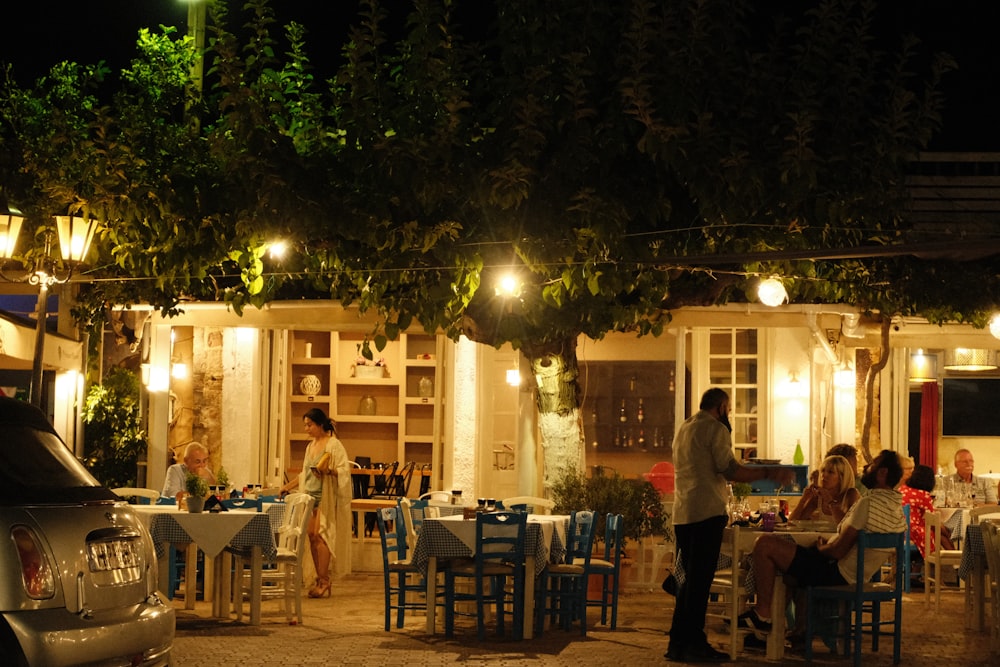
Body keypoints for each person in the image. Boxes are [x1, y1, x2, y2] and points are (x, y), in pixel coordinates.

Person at [666, 388, 796, 663]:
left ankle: (678, 643)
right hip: (706, 512)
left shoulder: (685, 428)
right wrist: (769, 473)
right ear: (722, 407)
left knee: (688, 581)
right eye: (729, 409)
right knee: (699, 584)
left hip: (683, 512)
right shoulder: (716, 429)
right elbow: (730, 470)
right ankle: (694, 644)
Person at [739, 449, 906, 636]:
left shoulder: (866, 503)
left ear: (882, 473)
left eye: (872, 464)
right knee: (788, 574)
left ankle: (763, 615)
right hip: (854, 573)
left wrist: (820, 547)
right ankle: (792, 630)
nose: (866, 467)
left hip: (836, 572)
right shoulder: (894, 507)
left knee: (764, 544)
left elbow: (837, 551)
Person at [280, 408, 352, 598]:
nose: (307, 428)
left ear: (320, 425)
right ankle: (320, 579)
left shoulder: (333, 445)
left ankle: (324, 580)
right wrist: (287, 486)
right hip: (310, 496)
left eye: (309, 424)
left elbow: (344, 470)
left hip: (326, 497)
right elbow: (305, 473)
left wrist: (328, 472)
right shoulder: (310, 446)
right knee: (311, 536)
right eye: (305, 425)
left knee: (321, 536)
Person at [788, 455, 860, 524]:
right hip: (820, 536)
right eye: (822, 471)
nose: (823, 475)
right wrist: (803, 499)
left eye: (830, 472)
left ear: (842, 477)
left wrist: (830, 501)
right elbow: (792, 523)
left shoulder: (851, 494)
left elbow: (847, 525)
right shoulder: (818, 498)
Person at [901, 464, 952, 557]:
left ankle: (956, 562)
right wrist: (948, 533)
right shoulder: (923, 495)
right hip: (911, 532)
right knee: (938, 532)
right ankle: (956, 560)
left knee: (935, 530)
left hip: (899, 530)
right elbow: (933, 520)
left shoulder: (903, 489)